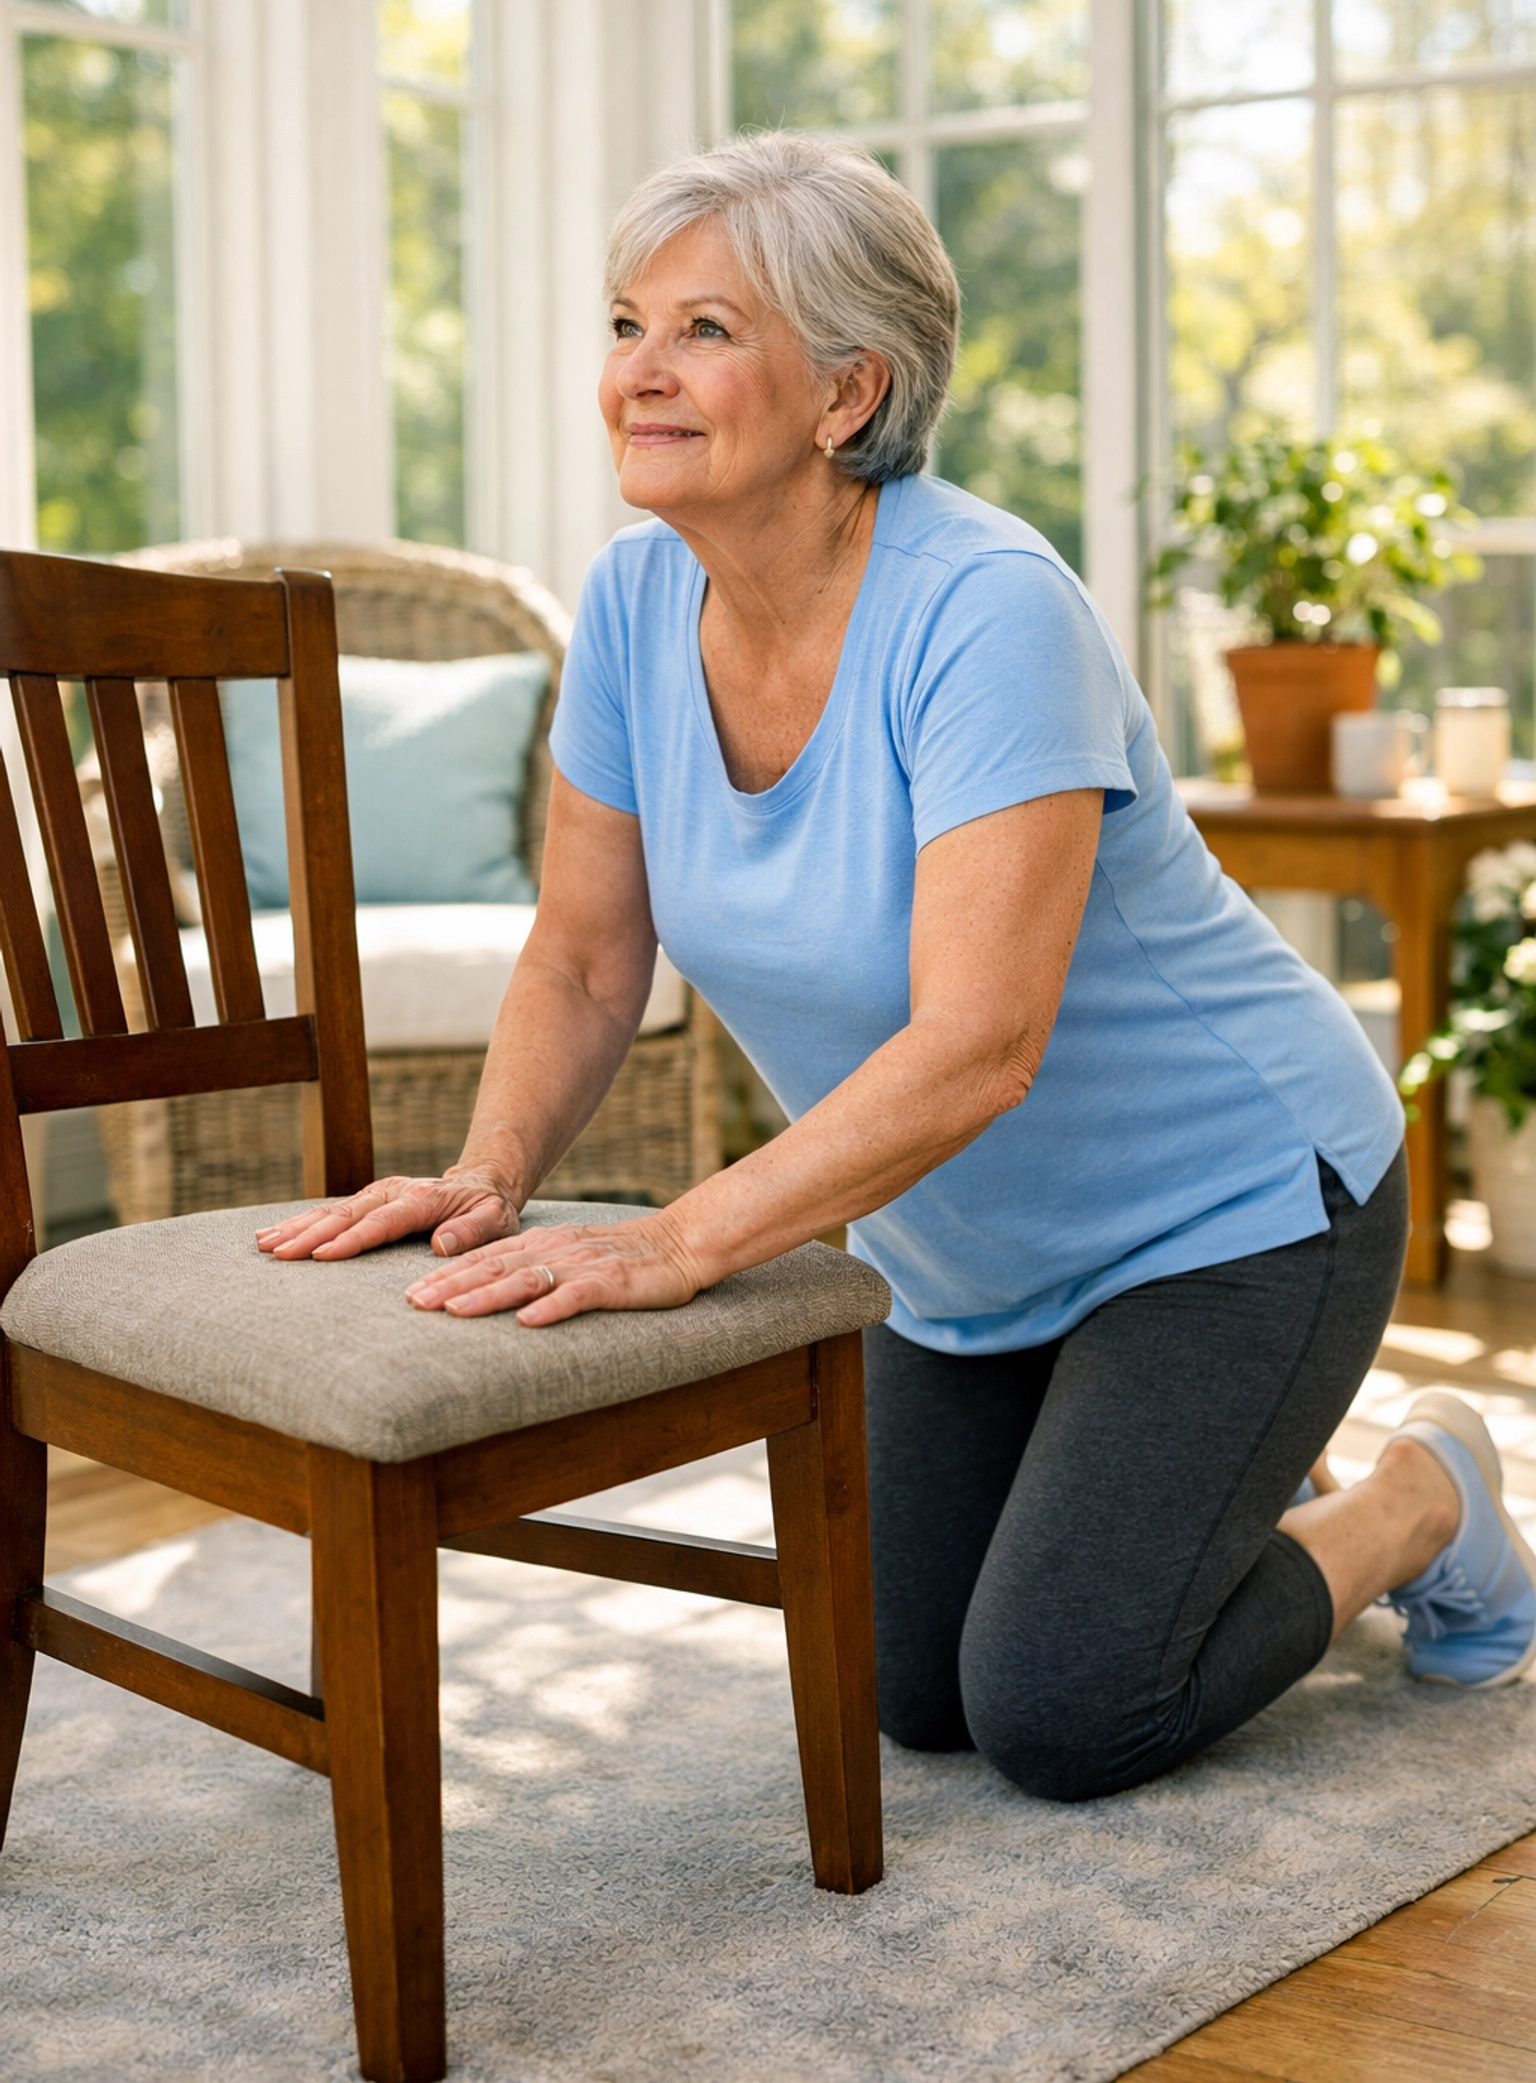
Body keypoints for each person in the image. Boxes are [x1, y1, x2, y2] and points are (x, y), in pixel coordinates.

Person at [258, 132, 1536, 1797]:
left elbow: (979, 1047)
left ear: (848, 393)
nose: (638, 373)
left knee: (1065, 1709)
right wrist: (491, 1171)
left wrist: (682, 1242)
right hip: (966, 1253)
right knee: (904, 1688)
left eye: (706, 332)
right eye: (628, 322)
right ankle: (1218, 1488)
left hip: (1239, 1208)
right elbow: (582, 959)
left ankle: (1420, 1492)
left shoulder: (985, 606)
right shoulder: (636, 607)